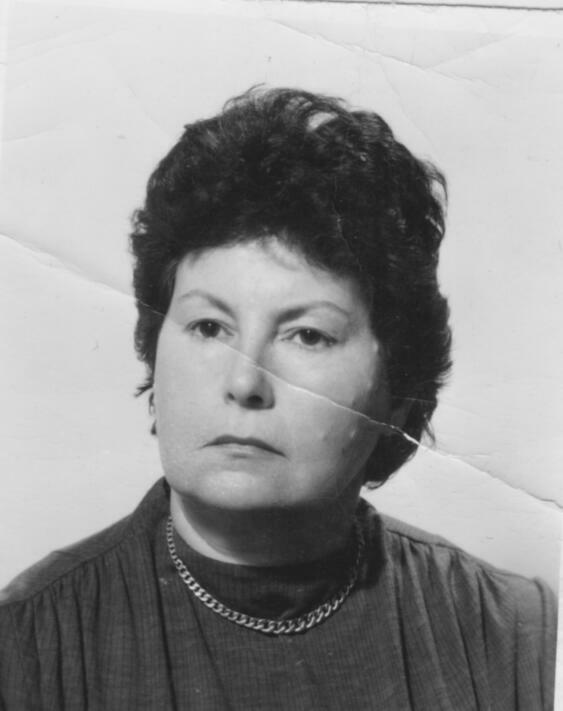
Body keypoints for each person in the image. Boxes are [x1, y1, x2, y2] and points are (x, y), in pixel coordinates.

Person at [0, 87, 556, 710]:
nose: (244, 383)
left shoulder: (514, 636)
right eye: (209, 327)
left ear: (397, 397)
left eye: (308, 336)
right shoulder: (25, 644)